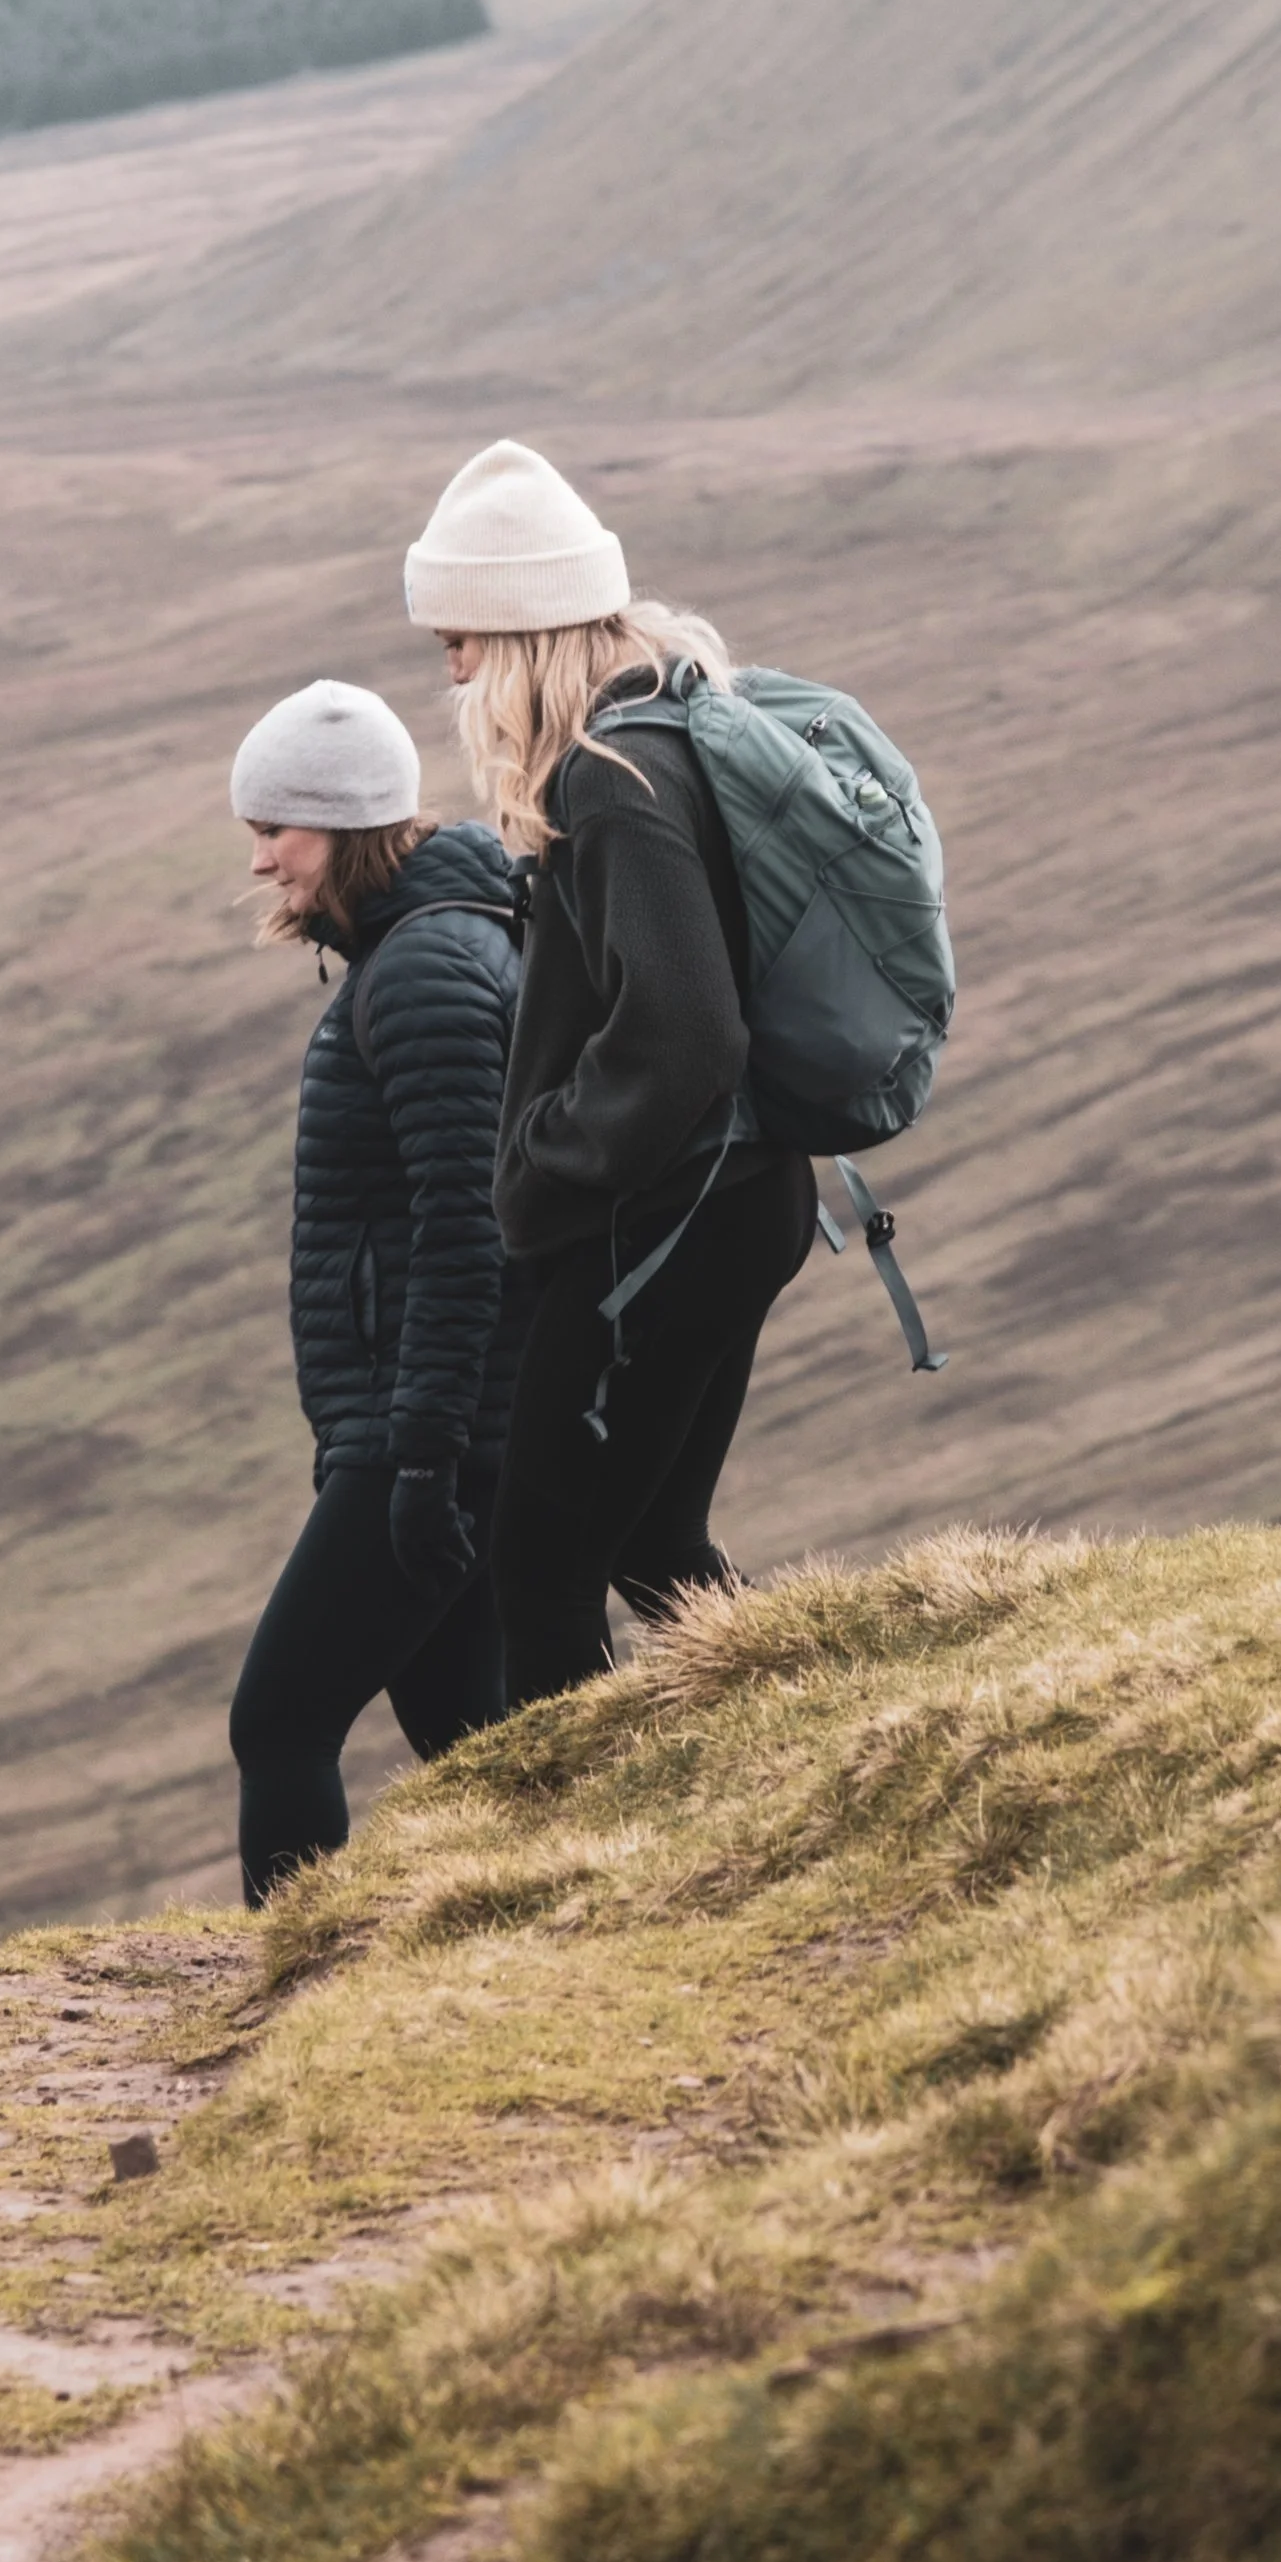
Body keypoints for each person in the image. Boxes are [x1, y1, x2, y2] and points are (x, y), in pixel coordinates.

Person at [402, 440, 817, 1707]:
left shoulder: (610, 779)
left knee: (539, 1577)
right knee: (652, 1543)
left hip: (662, 1223)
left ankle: (586, 1873)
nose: (453, 667)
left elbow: (688, 1028)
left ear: (518, 630)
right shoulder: (675, 727)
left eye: (459, 637)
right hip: (738, 1198)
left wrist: (548, 1157)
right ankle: (806, 1741)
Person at [225, 675, 529, 1902]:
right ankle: (564, 1947)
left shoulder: (422, 974)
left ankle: (280, 2000)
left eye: (274, 830)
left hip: (428, 1429)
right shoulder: (418, 950)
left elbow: (471, 1229)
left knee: (281, 1718)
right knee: (483, 1734)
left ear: (343, 825)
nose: (259, 863)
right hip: (435, 1422)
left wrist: (416, 1456)